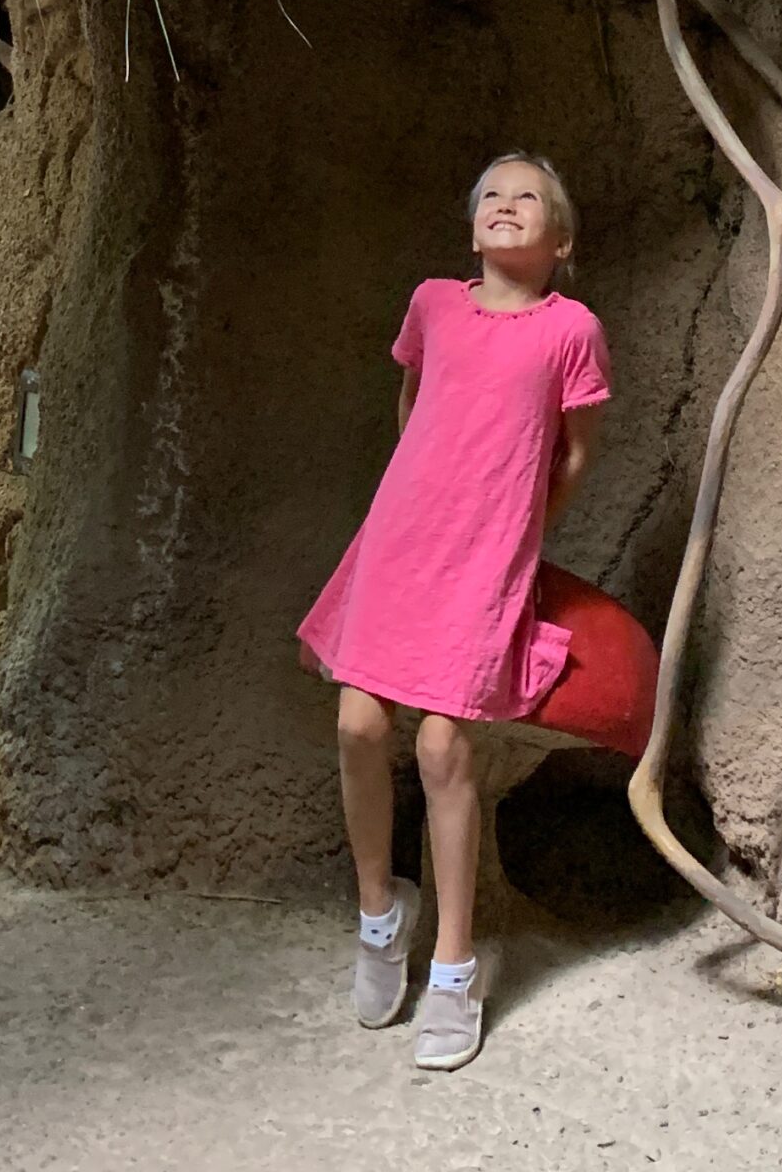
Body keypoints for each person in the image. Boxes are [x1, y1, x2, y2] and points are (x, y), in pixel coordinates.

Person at [296, 152, 611, 1071]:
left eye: (527, 199)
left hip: (486, 558)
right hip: (401, 541)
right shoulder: (433, 302)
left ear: (561, 240)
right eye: (490, 197)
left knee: (444, 747)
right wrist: (425, 499)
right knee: (358, 725)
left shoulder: (573, 331)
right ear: (472, 227)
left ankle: (454, 968)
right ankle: (378, 916)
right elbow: (413, 405)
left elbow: (576, 453)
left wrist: (512, 529)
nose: (504, 207)